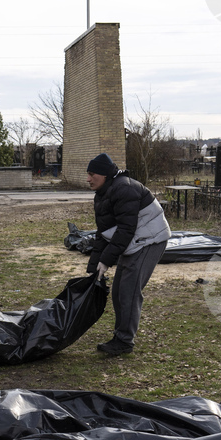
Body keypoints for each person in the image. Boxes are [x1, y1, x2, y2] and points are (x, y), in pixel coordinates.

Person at [85, 153, 171, 356]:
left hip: (150, 240)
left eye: (91, 174)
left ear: (105, 174)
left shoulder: (125, 188)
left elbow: (125, 230)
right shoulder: (104, 193)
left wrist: (106, 260)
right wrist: (94, 267)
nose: (88, 179)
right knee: (118, 292)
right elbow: (103, 232)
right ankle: (120, 336)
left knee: (129, 290)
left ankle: (124, 341)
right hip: (135, 241)